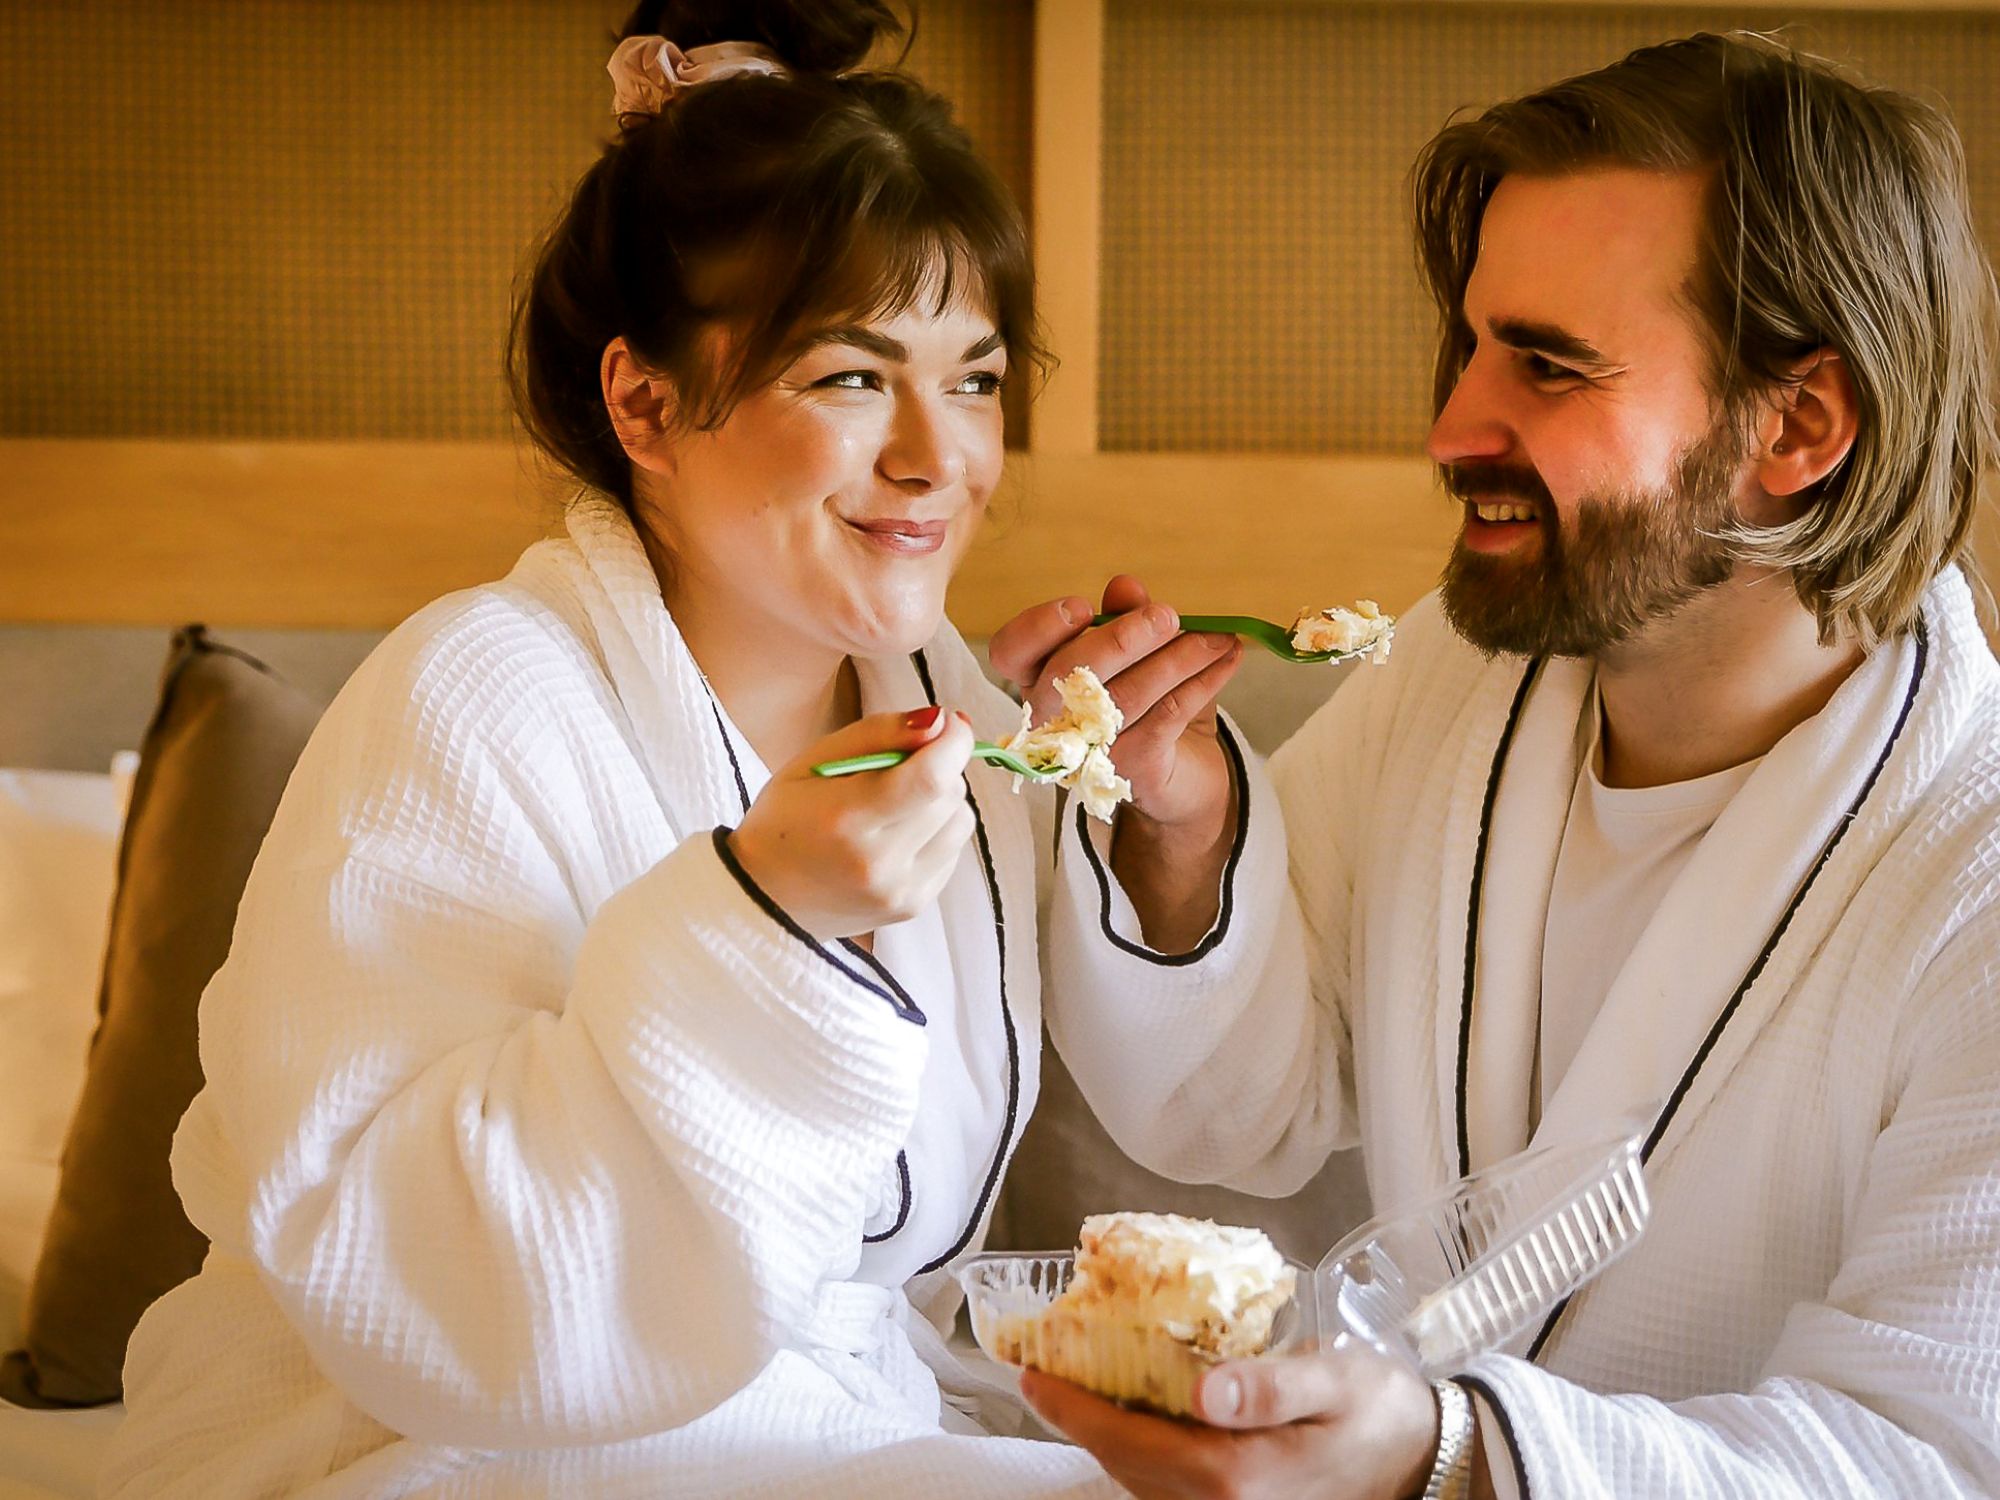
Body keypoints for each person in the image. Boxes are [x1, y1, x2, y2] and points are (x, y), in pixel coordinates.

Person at [102, 4, 1117, 1495]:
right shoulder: (473, 694)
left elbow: (1229, 1121)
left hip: (819, 1418)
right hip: (440, 1443)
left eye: (973, 377)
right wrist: (764, 923)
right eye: (849, 377)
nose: (936, 457)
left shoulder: (952, 717)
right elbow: (404, 1279)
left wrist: (1169, 834)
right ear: (645, 401)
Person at [995, 32, 2000, 1499]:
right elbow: (1242, 1107)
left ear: (1797, 427)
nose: (1453, 427)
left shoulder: (1970, 869)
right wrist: (1185, 827)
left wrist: (1454, 1457)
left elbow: (1936, 1458)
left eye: (1548, 366)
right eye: (1470, 346)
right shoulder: (1469, 682)